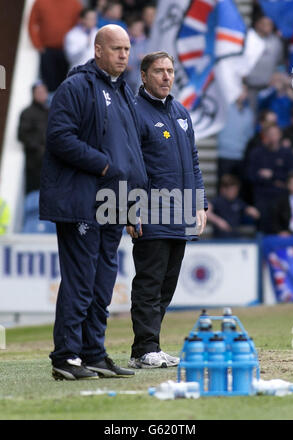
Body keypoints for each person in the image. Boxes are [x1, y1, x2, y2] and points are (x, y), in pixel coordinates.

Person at [39, 25, 148, 380]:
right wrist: (101, 163)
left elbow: (131, 155)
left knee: (103, 283)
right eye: (116, 48)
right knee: (81, 280)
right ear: (97, 50)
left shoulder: (126, 94)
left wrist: (132, 204)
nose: (123, 55)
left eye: (127, 49)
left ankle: (94, 353)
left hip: (114, 203)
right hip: (82, 201)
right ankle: (65, 356)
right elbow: (58, 137)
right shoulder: (75, 87)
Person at [126, 51, 207, 369]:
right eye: (158, 71)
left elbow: (195, 162)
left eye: (170, 71)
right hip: (151, 212)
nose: (166, 76)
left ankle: (150, 347)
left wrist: (200, 203)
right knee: (149, 281)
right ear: (144, 76)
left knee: (167, 283)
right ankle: (143, 349)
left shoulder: (181, 111)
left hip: (181, 214)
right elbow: (128, 164)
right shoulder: (133, 112)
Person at [246, 124, 293, 233]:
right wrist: (274, 180)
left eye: (275, 134)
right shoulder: (257, 153)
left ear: (280, 135)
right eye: (270, 134)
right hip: (262, 196)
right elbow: (251, 176)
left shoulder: (287, 153)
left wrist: (272, 175)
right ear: (265, 136)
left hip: (282, 196)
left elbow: (290, 176)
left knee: (283, 227)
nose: (273, 137)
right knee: (263, 226)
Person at [28, 0, 83, 92]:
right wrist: (37, 44)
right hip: (47, 50)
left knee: (63, 83)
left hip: (66, 52)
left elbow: (80, 25)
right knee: (46, 83)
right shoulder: (41, 2)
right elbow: (32, 23)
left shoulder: (75, 4)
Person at [217, 85, 255, 188]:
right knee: (223, 186)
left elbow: (249, 134)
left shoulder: (249, 113)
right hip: (225, 154)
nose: (241, 94)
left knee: (239, 187)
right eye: (239, 91)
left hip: (241, 156)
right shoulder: (226, 108)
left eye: (244, 92)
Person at [245, 15, 284, 112]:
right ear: (257, 24)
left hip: (269, 86)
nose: (268, 27)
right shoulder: (247, 39)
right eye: (265, 24)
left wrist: (278, 76)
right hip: (249, 87)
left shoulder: (276, 42)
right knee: (251, 117)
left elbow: (280, 64)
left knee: (269, 117)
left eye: (270, 24)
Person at [18, 81, 49, 195]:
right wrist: (40, 148)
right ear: (33, 94)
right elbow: (22, 135)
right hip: (35, 165)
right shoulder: (27, 113)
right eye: (39, 92)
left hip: (50, 163)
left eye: (43, 91)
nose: (42, 94)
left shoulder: (50, 111)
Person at [207, 174, 260, 239]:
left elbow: (249, 210)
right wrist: (219, 221)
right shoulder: (217, 201)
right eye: (232, 190)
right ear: (223, 190)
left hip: (235, 236)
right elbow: (206, 212)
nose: (234, 192)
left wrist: (253, 211)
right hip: (220, 238)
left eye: (236, 190)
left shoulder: (238, 202)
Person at [273, 170, 293, 235]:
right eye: (292, 183)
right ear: (288, 185)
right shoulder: (281, 201)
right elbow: (274, 219)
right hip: (288, 236)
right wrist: (280, 231)